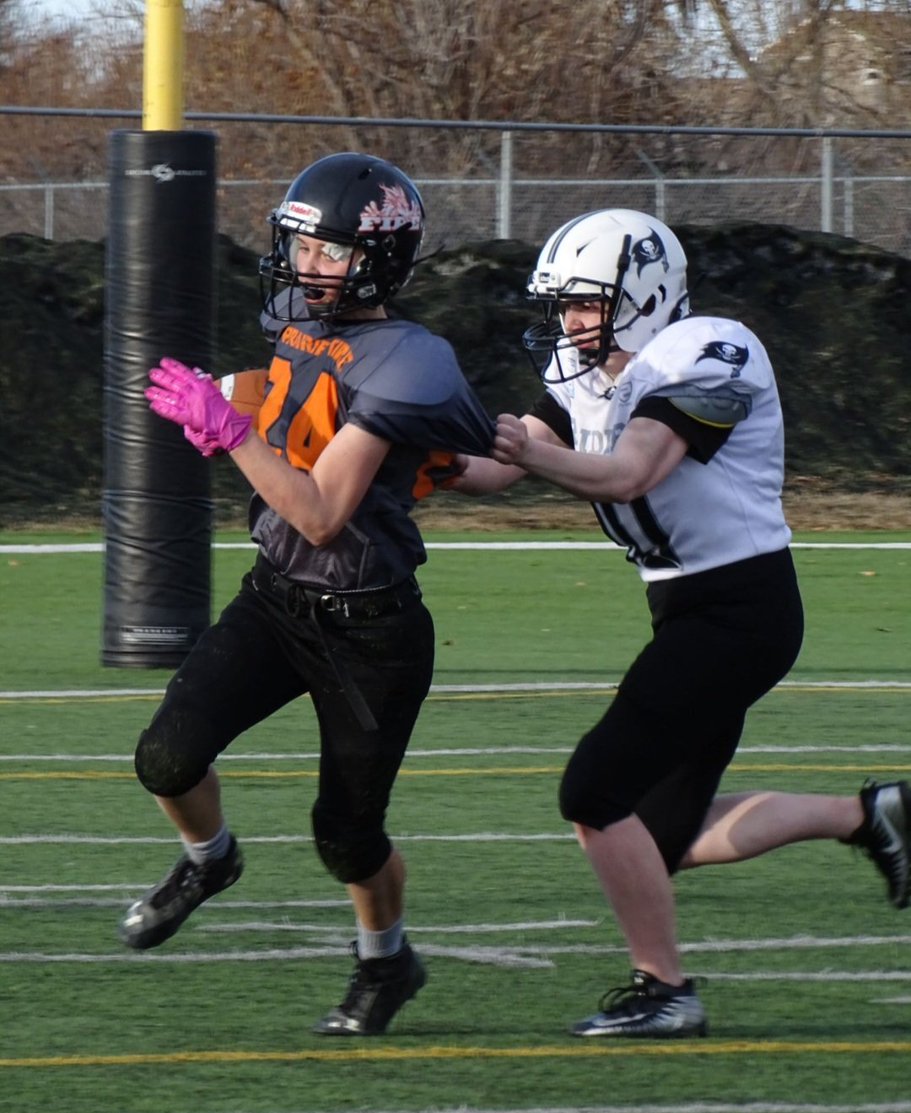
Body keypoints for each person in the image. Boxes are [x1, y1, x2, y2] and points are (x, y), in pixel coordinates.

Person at [453, 207, 911, 1038]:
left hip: (741, 609)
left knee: (593, 792)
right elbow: (494, 466)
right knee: (652, 842)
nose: (570, 322)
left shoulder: (706, 350)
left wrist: (529, 451)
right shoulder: (583, 375)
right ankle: (869, 815)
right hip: (688, 611)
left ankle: (664, 989)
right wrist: (410, 456)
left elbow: (630, 473)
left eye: (586, 303)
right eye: (562, 306)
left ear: (644, 293)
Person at [118, 152, 495, 1037]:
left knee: (345, 837)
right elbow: (309, 408)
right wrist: (245, 403)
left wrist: (230, 429)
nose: (305, 266)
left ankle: (385, 962)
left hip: (372, 628)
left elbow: (322, 512)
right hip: (276, 598)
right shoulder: (299, 321)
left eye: (327, 251)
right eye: (298, 245)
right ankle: (209, 861)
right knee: (164, 759)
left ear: (379, 258)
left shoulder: (412, 357)